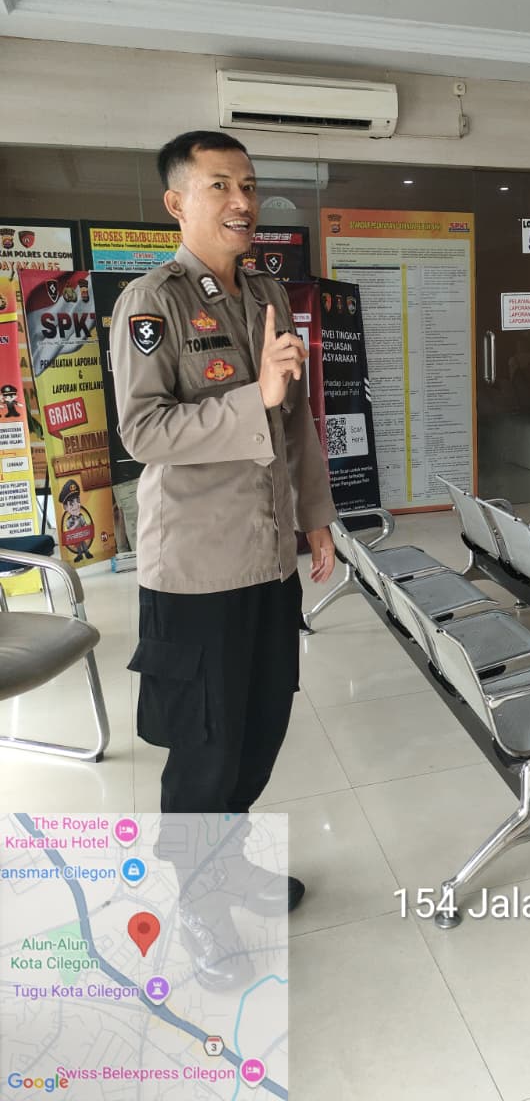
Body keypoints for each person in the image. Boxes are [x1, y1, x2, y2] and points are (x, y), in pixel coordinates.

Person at [111, 131, 337, 934]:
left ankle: (227, 863)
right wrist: (253, 397)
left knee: (260, 726)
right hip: (197, 569)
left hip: (268, 557)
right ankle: (200, 905)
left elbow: (295, 421)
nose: (243, 201)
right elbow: (143, 430)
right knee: (204, 748)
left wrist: (315, 519)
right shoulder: (153, 303)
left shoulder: (267, 294)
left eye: (248, 184)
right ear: (178, 203)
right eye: (220, 186)